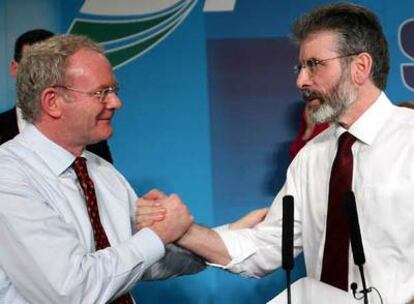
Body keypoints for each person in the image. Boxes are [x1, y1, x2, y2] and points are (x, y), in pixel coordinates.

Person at [139, 3, 414, 303]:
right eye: (300, 68)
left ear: (360, 67)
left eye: (315, 64)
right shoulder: (311, 159)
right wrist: (183, 230)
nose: (301, 81)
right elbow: (264, 247)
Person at [0, 34, 267, 303]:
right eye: (101, 92)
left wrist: (224, 238)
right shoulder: (8, 176)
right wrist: (159, 233)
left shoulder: (101, 171)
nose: (116, 103)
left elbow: (141, 261)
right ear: (52, 102)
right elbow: (72, 290)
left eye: (115, 90)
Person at [0, 29, 113, 163]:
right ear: (14, 68)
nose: (42, 76)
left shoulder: (89, 135)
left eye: (51, 66)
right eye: (32, 67)